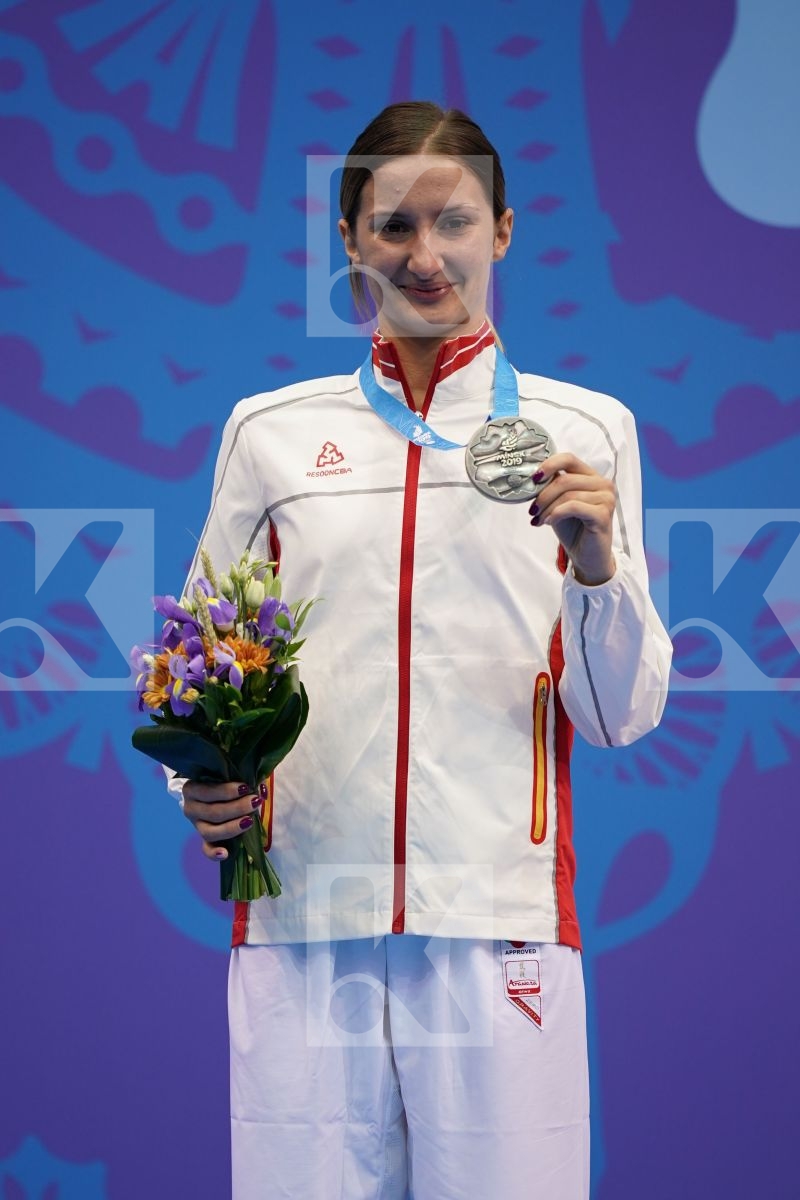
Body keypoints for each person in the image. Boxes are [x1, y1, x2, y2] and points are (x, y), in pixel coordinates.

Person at [172, 101, 672, 1200]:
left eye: (451, 222)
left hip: (499, 921)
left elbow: (617, 712)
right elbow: (203, 657)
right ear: (350, 242)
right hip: (304, 917)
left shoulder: (583, 431)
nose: (423, 252)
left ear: (501, 231)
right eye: (392, 226)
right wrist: (202, 781)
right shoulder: (271, 433)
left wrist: (594, 570)